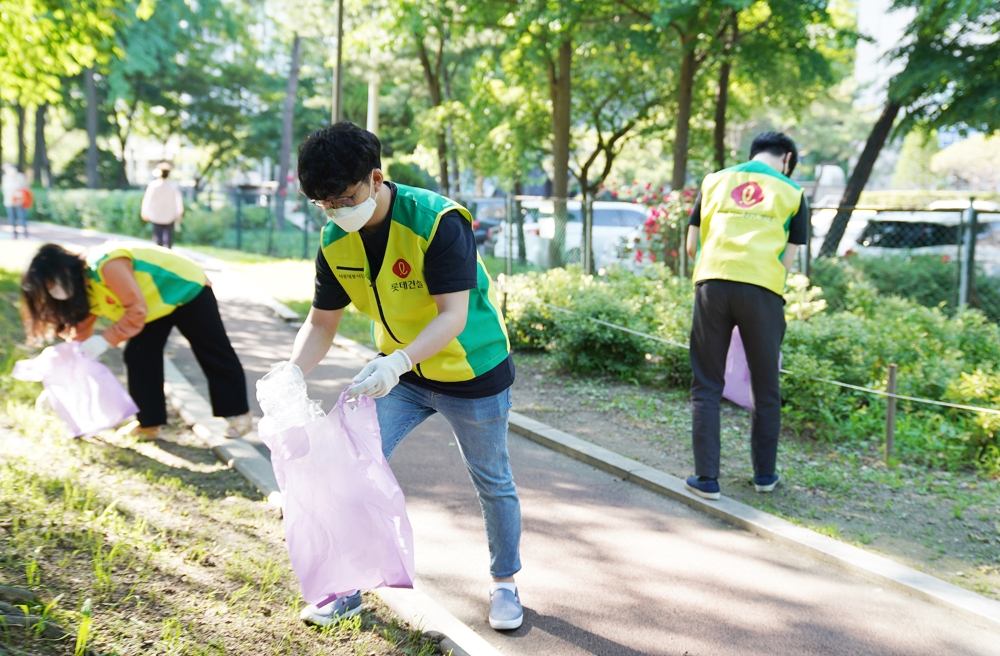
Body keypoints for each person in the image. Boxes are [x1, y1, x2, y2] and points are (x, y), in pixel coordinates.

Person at [285, 122, 522, 630]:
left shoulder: (437, 222)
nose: (335, 211)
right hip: (401, 376)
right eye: (323, 204)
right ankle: (346, 588)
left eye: (344, 198)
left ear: (375, 178)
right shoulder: (334, 238)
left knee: (493, 482)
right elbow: (321, 322)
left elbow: (452, 316)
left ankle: (505, 584)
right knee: (347, 465)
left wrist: (395, 362)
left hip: (470, 371)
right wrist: (291, 371)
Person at [683, 131, 808, 501]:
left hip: (713, 283)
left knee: (707, 383)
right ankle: (764, 476)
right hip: (763, 290)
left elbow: (692, 245)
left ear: (753, 153)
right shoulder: (794, 193)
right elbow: (788, 260)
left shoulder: (716, 181)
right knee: (765, 385)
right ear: (787, 158)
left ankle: (706, 479)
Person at [20, 242, 252, 439]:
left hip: (184, 287)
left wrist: (105, 340)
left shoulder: (105, 265)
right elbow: (81, 331)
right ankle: (149, 424)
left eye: (50, 285)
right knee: (139, 354)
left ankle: (239, 414)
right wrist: (64, 376)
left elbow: (135, 312)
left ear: (62, 271)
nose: (52, 293)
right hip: (151, 306)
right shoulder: (83, 289)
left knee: (212, 348)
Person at [141, 162, 184, 248]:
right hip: (169, 216)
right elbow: (178, 202)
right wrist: (178, 214)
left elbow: (148, 200)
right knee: (169, 238)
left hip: (156, 215)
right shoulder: (172, 187)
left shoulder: (153, 186)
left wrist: (145, 212)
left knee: (158, 238)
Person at [3, 164, 29, 239]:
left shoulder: (20, 177)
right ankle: (14, 234)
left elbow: (26, 187)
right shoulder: (5, 177)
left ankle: (25, 233)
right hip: (9, 201)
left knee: (22, 217)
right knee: (12, 218)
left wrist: (20, 193)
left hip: (19, 201)